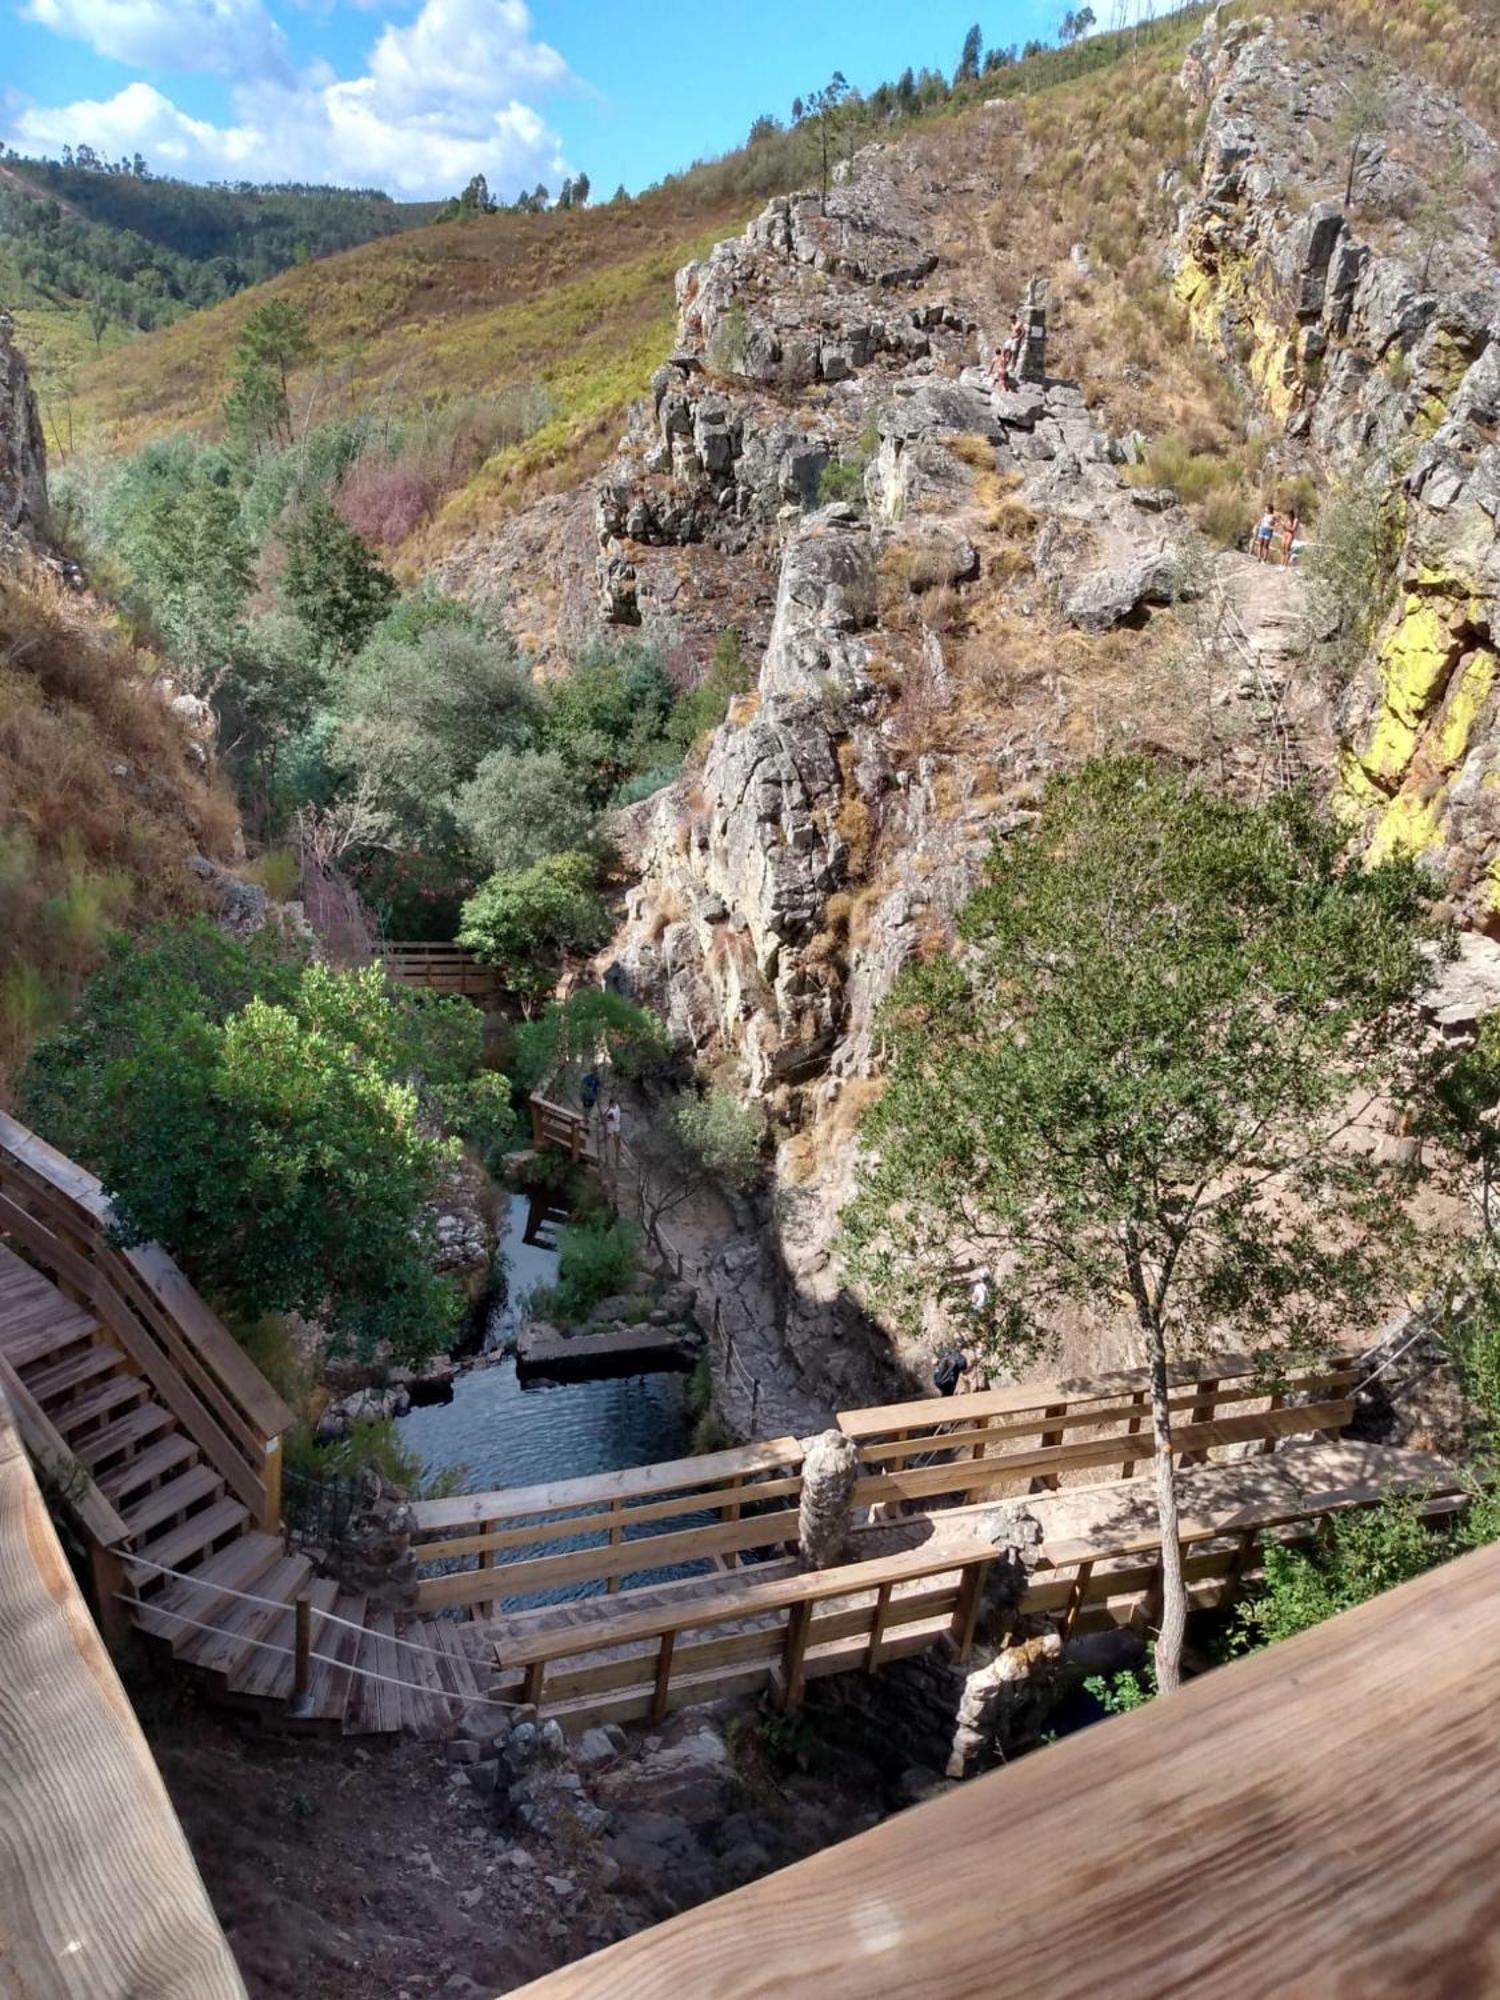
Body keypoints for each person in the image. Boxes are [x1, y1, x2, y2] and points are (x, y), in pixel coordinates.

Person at [604, 1098, 622, 1170]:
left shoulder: (617, 1107)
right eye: (613, 1103)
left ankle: (618, 1150)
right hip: (610, 1126)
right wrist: (610, 1119)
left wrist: (617, 1120)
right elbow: (605, 1118)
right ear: (610, 1103)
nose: (614, 1104)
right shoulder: (608, 1110)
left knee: (617, 1137)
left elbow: (618, 1116)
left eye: (615, 1103)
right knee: (608, 1136)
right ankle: (606, 1146)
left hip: (616, 1125)